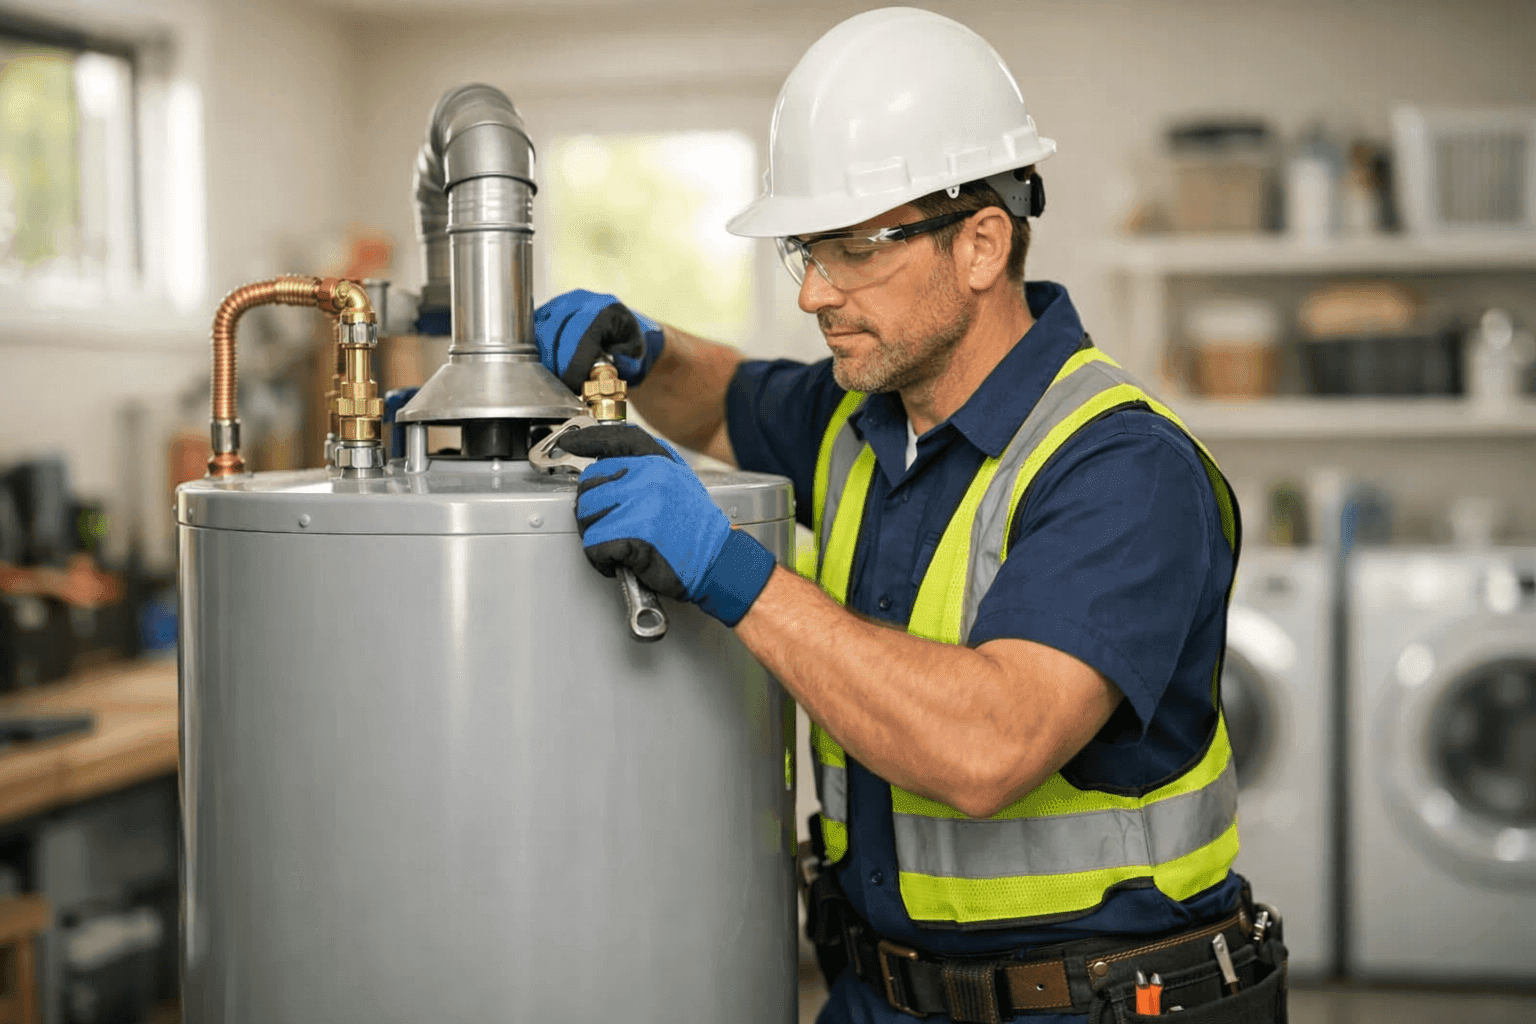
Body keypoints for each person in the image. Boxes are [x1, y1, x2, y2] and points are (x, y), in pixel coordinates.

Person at [534, 8, 1287, 1023]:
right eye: (807, 251)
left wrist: (730, 567)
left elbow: (988, 746)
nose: (814, 294)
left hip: (1090, 1006)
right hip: (875, 993)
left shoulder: (1122, 469)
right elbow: (724, 395)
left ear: (981, 244)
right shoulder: (860, 416)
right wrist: (643, 348)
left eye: (852, 250)